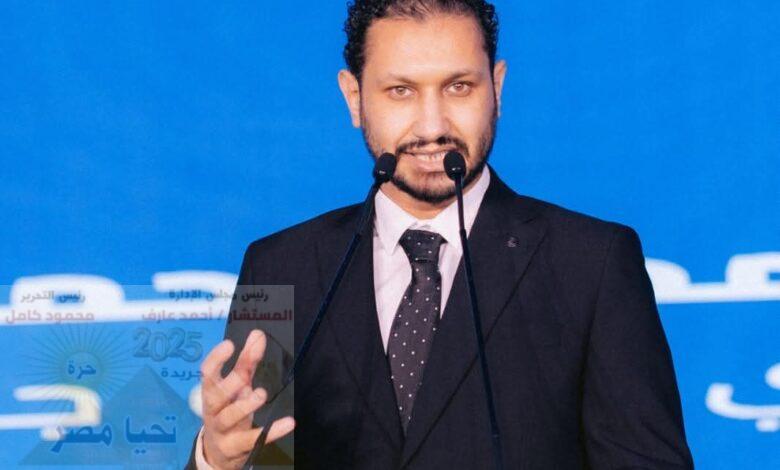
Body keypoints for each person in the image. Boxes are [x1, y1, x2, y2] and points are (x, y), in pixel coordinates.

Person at [188, 0, 694, 468]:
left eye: (459, 87)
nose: (432, 126)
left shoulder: (593, 263)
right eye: (401, 91)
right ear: (354, 97)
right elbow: (259, 454)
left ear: (497, 87)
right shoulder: (279, 266)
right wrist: (216, 459)